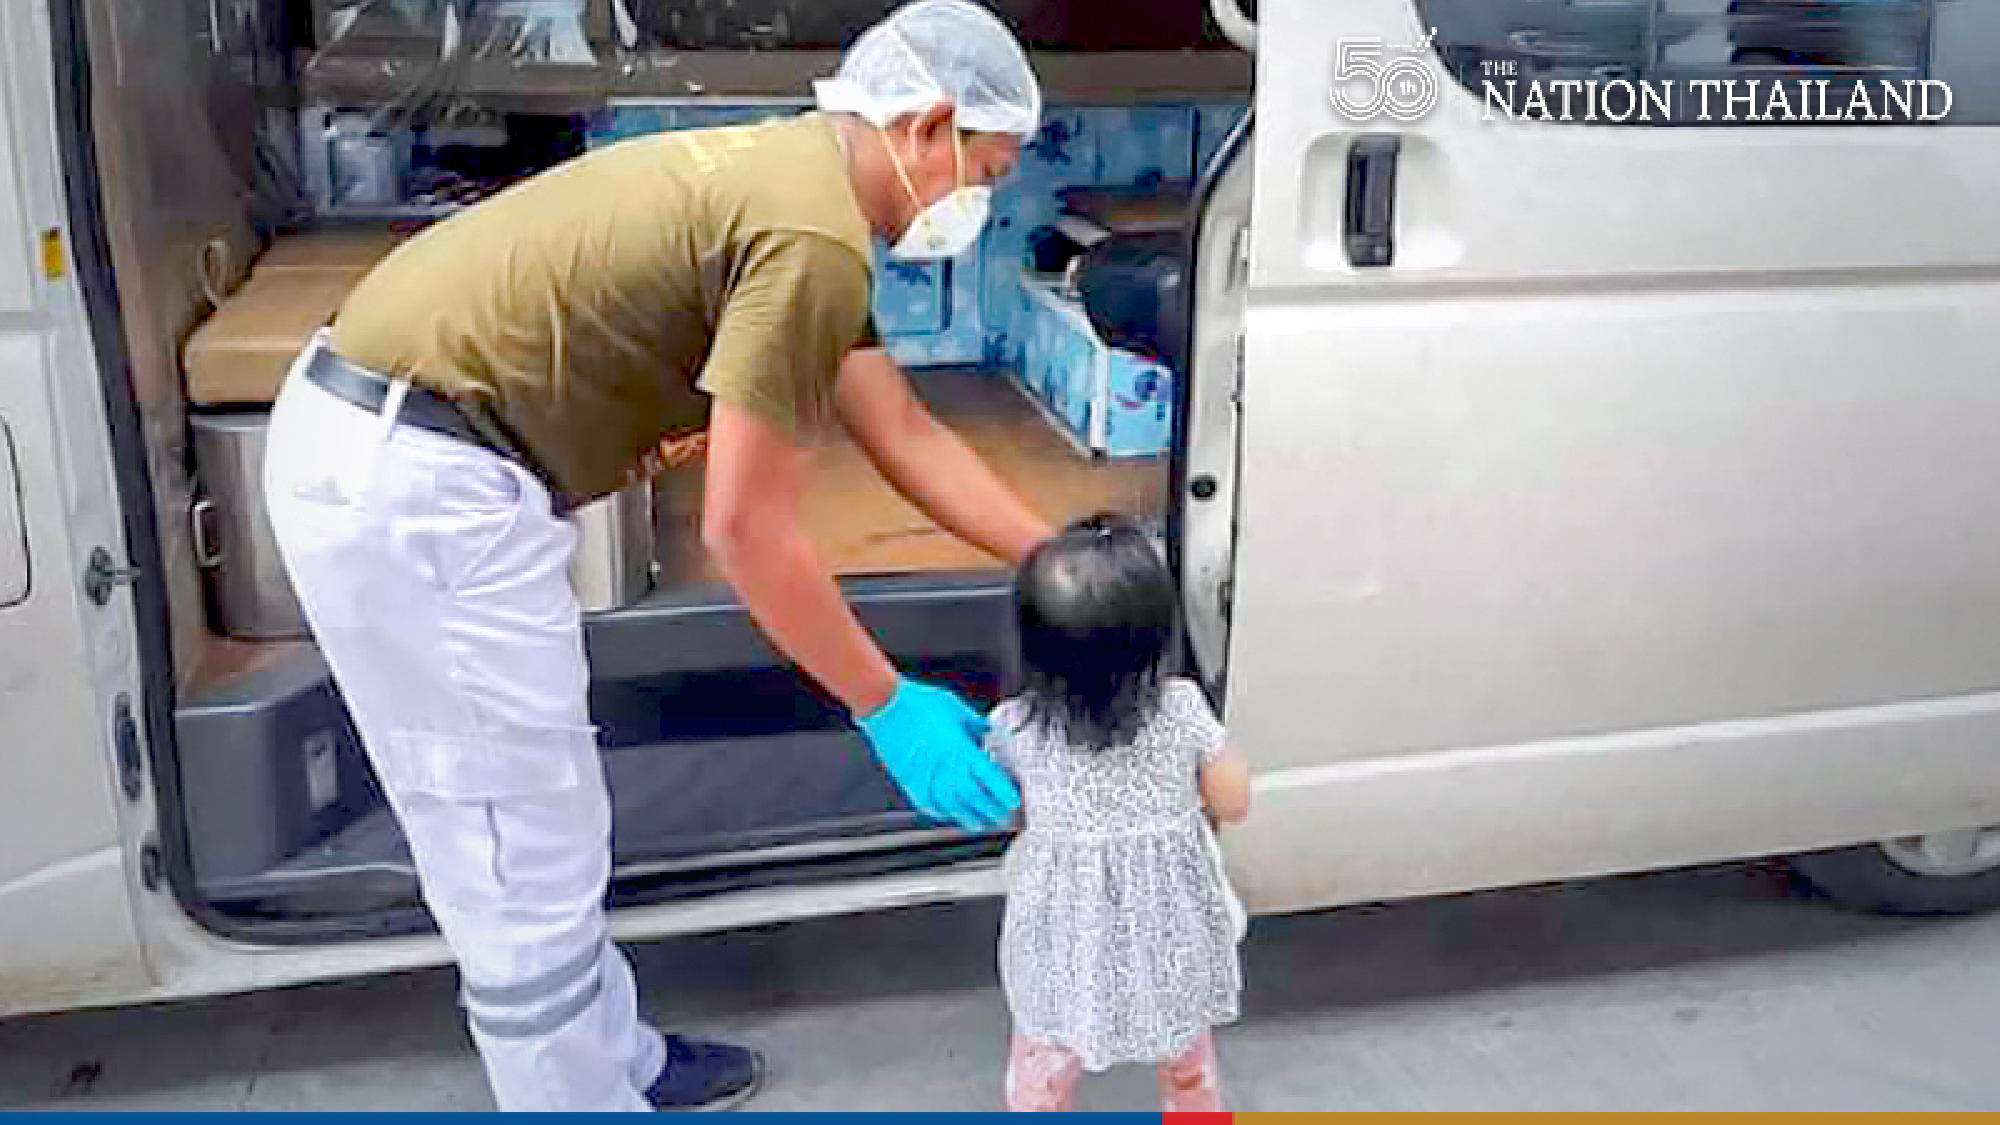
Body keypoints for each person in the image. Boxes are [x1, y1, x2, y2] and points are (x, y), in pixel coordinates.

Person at [263, 0, 1052, 1112]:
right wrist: (886, 707)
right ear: (925, 127)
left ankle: (611, 1064)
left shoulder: (802, 181)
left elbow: (903, 431)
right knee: (511, 849)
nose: (987, 198)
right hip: (417, 476)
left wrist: (1062, 555)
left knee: (549, 813)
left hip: (430, 450)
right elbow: (743, 529)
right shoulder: (811, 237)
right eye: (991, 169)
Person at [982, 512, 1253, 1113]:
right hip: (1170, 930)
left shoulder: (1015, 728)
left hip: (1063, 936)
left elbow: (1013, 818)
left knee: (1043, 1066)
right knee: (1188, 1070)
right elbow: (1234, 802)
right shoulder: (1180, 708)